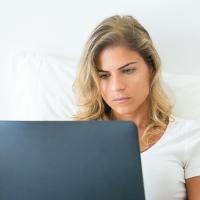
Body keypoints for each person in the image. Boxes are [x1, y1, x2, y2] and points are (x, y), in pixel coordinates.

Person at [72, 15, 200, 199]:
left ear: (152, 69)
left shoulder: (189, 136)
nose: (117, 86)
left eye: (128, 70)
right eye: (103, 75)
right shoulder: (74, 138)